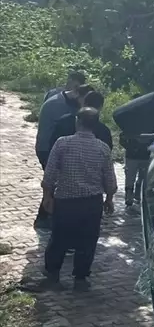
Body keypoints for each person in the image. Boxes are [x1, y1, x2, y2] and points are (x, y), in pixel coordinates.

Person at [36, 107, 117, 291]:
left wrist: (47, 196)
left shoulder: (62, 143)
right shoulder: (102, 148)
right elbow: (110, 180)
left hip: (66, 201)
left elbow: (49, 175)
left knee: (59, 239)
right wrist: (109, 199)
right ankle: (80, 279)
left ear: (77, 122)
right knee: (87, 241)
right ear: (95, 125)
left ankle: (53, 275)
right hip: (92, 203)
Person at [33, 81, 91, 229]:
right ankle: (45, 217)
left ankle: (48, 216)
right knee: (55, 182)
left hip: (50, 145)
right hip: (47, 148)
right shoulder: (59, 106)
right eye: (84, 101)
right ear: (77, 94)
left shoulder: (63, 99)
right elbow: (68, 128)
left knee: (56, 182)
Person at [48, 90, 113, 150]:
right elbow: (107, 153)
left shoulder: (64, 121)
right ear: (101, 107)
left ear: (84, 103)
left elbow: (52, 145)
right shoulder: (104, 132)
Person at [121, 130, 152, 209]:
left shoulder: (150, 126)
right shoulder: (130, 126)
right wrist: (130, 147)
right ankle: (129, 199)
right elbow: (122, 138)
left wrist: (147, 146)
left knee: (143, 179)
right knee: (130, 179)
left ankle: (139, 196)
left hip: (145, 157)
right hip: (131, 157)